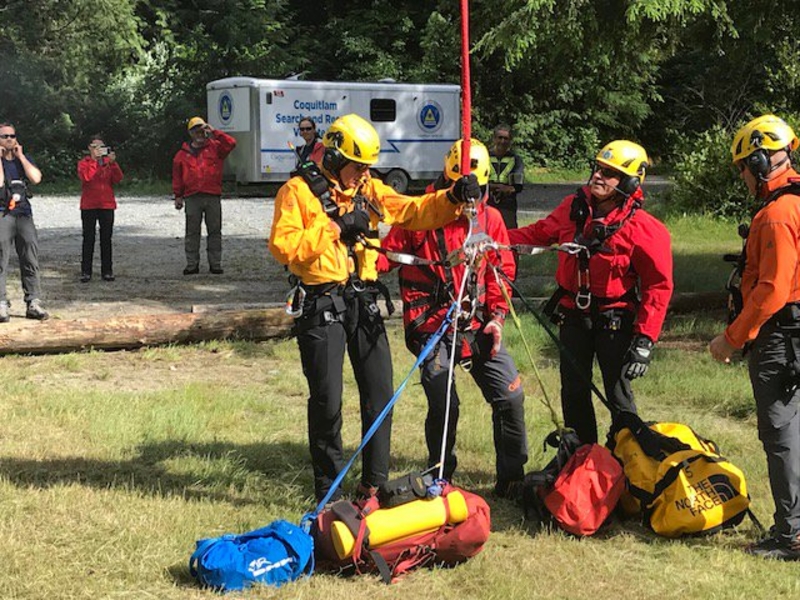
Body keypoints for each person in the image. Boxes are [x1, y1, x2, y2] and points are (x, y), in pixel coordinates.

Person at [268, 113, 479, 502]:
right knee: (327, 400)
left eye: (366, 167)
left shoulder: (369, 189)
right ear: (332, 157)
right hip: (321, 303)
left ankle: (374, 483)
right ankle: (329, 490)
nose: (361, 174)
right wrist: (335, 228)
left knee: (380, 393)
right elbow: (283, 246)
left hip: (361, 299)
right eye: (356, 166)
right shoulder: (297, 192)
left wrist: (452, 196)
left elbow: (414, 212)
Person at [379, 139, 528, 497]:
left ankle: (511, 478)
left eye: (473, 193)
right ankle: (440, 473)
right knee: (445, 399)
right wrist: (351, 259)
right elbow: (384, 258)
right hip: (431, 323)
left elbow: (499, 273)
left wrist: (496, 318)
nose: (466, 202)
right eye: (458, 192)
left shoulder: (490, 219)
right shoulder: (423, 215)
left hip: (476, 324)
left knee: (510, 396)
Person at [508, 140, 673, 445]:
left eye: (609, 173)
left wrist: (644, 340)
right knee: (573, 391)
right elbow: (537, 234)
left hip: (615, 319)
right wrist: (494, 237)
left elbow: (658, 286)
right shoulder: (573, 210)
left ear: (630, 181)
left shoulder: (644, 229)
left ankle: (629, 459)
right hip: (573, 315)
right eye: (598, 169)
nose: (598, 176)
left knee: (618, 394)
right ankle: (582, 459)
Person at [709, 114, 800, 561]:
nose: (743, 176)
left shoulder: (778, 214)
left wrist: (732, 338)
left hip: (782, 337)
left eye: (744, 166)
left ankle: (791, 535)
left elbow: (771, 290)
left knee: (780, 433)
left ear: (761, 161)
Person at [172, 116, 236, 275]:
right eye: (195, 130)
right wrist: (178, 196)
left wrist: (214, 132)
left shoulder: (215, 147)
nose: (199, 133)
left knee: (214, 231)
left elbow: (231, 143)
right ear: (190, 133)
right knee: (192, 232)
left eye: (201, 129)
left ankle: (215, 264)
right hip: (192, 197)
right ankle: (192, 264)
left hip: (212, 195)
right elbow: (177, 176)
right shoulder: (181, 154)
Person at [0, 122, 49, 322]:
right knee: (1, 259)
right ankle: (1, 303)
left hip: (24, 215)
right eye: (4, 136)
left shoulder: (23, 160)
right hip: (3, 214)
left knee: (30, 258)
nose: (9, 139)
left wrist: (20, 156)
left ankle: (33, 301)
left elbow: (36, 178)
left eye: (12, 136)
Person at [77, 136, 123, 282]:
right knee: (88, 238)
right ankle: (86, 271)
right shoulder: (84, 163)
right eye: (95, 146)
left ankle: (107, 271)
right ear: (89, 148)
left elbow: (118, 179)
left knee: (106, 239)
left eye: (101, 146)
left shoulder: (109, 164)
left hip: (106, 204)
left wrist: (113, 163)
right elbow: (87, 177)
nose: (98, 149)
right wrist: (94, 161)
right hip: (89, 205)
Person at [488, 124, 525, 230]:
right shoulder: (484, 156)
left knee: (510, 235)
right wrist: (493, 186)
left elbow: (518, 186)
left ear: (510, 141)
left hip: (507, 204)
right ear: (494, 139)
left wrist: (508, 189)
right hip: (487, 202)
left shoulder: (516, 159)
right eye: (500, 138)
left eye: (506, 138)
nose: (502, 141)